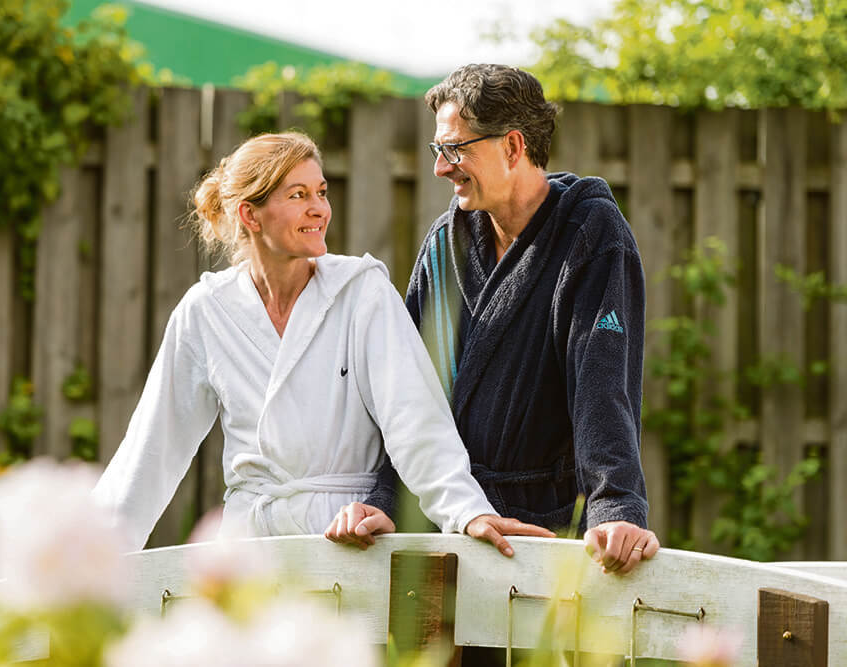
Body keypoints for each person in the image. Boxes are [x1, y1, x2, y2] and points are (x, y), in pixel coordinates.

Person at [92, 131, 555, 555]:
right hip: (250, 545)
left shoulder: (361, 291)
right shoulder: (206, 311)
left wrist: (466, 511)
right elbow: (152, 449)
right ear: (249, 215)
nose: (320, 209)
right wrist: (95, 557)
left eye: (321, 192)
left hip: (347, 538)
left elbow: (415, 418)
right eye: (298, 195)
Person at [325, 64, 660, 576]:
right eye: (438, 149)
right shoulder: (444, 245)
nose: (441, 167)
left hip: (543, 532)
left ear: (512, 146)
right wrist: (385, 498)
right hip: (442, 521)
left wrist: (615, 506)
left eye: (455, 149)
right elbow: (409, 392)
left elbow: (603, 380)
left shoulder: (590, 234)